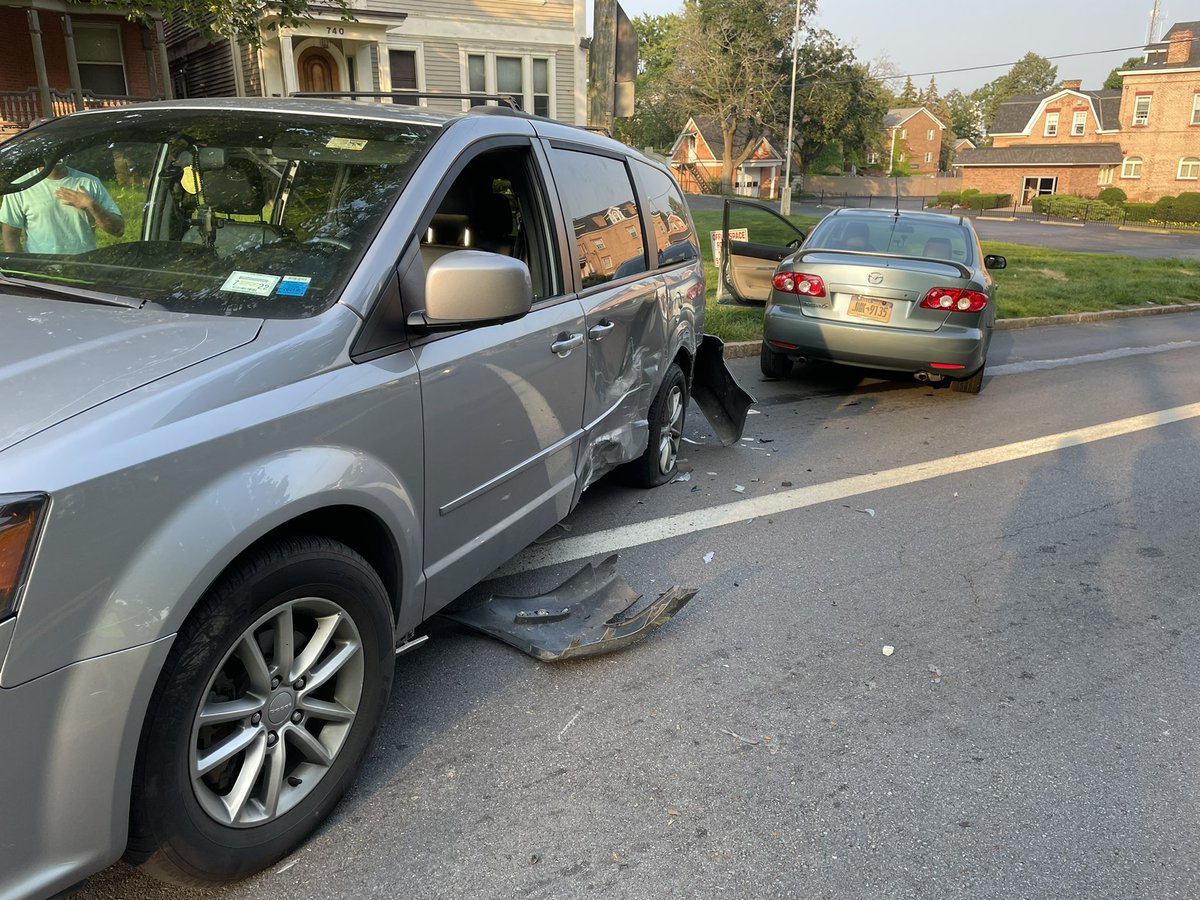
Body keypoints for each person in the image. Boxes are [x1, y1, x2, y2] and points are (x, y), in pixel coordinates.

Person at [0, 162, 124, 254]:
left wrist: (91, 206)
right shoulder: (20, 186)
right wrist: (19, 272)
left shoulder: (90, 182)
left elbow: (118, 230)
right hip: (41, 272)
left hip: (84, 267)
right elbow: (11, 234)